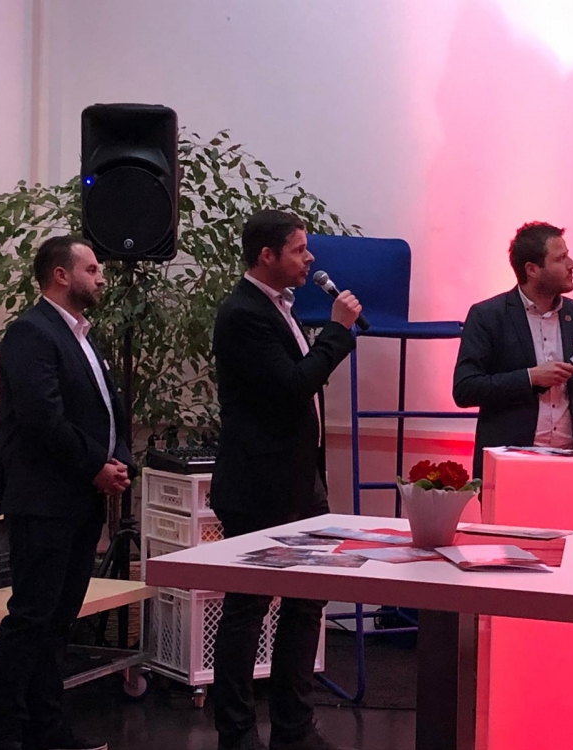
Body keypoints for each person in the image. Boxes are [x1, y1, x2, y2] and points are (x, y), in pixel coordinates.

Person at [210, 209, 361, 750]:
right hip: (259, 485)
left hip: (302, 482)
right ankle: (236, 733)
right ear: (266, 256)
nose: (310, 258)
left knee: (307, 601)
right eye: (299, 249)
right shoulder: (242, 313)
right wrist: (337, 333)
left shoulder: (280, 307)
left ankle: (294, 728)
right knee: (248, 608)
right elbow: (292, 387)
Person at [0, 235, 133, 750]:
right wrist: (96, 466)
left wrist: (119, 459)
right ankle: (3, 734)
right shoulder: (31, 332)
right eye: (92, 269)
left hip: (80, 498)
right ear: (60, 275)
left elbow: (108, 409)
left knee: (59, 622)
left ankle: (46, 730)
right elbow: (43, 418)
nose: (102, 278)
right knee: (32, 619)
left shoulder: (83, 335)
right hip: (44, 500)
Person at [453, 221, 573, 480]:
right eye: (560, 258)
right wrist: (530, 378)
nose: (572, 264)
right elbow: (465, 389)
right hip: (511, 463)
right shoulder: (488, 316)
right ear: (532, 269)